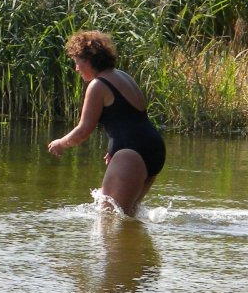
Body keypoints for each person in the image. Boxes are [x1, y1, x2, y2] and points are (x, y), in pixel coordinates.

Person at [47, 30, 165, 216]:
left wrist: (60, 143)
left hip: (131, 153)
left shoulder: (98, 85)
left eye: (78, 62)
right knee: (128, 219)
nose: (76, 68)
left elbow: (84, 130)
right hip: (152, 149)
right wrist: (114, 150)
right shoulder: (122, 76)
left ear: (90, 59)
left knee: (108, 219)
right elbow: (127, 120)